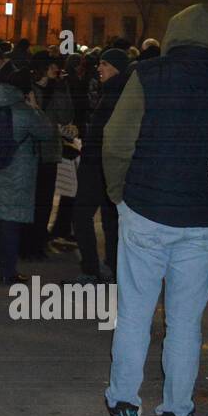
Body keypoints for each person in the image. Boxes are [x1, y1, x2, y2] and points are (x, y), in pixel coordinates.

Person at [102, 3, 208, 416]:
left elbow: (117, 141)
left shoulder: (149, 75)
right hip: (203, 222)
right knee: (185, 322)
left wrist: (120, 193)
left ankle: (124, 405)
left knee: (134, 313)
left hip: (146, 211)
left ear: (174, 31)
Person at [0, 66, 53, 284]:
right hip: (16, 177)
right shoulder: (25, 111)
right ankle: (7, 273)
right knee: (9, 226)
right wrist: (37, 107)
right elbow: (46, 133)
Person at [73, 47, 130, 283]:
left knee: (82, 215)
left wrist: (89, 150)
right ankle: (113, 268)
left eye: (105, 64)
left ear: (116, 68)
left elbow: (110, 135)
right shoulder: (117, 93)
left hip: (99, 167)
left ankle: (91, 269)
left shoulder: (115, 95)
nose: (100, 68)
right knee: (110, 220)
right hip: (106, 167)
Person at [25, 51, 73, 259]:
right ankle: (27, 241)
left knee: (44, 201)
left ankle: (37, 241)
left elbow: (67, 115)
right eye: (55, 66)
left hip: (50, 152)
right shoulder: (29, 89)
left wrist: (62, 89)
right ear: (45, 67)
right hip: (30, 152)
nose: (58, 70)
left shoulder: (59, 88)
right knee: (30, 199)